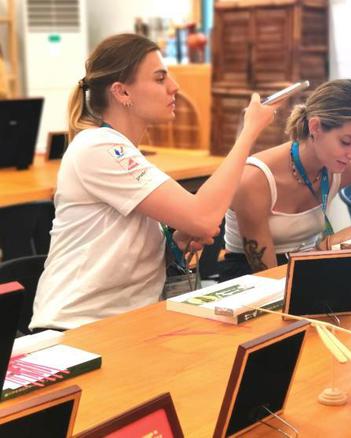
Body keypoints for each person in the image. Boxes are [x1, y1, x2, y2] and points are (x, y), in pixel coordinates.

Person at [30, 34, 276, 331]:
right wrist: (247, 134)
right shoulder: (99, 146)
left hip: (126, 324)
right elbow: (204, 217)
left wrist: (176, 241)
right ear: (122, 93)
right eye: (160, 79)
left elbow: (193, 222)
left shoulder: (121, 150)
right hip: (77, 327)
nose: (174, 86)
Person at [222, 79, 351, 279]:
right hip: (251, 284)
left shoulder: (350, 165)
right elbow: (270, 280)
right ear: (315, 127)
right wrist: (329, 244)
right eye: (346, 141)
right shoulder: (255, 179)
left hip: (309, 271)